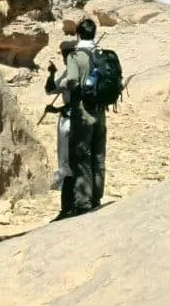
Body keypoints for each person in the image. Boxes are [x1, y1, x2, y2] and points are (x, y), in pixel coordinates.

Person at [68, 18, 107, 213]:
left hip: (83, 112)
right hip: (101, 111)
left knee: (82, 156)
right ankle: (97, 198)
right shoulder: (101, 53)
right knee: (98, 156)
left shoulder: (75, 56)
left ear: (78, 33)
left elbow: (72, 80)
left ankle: (83, 203)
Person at [44, 39, 76, 202]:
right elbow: (50, 90)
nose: (64, 59)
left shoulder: (73, 72)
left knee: (65, 151)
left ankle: (66, 183)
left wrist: (56, 109)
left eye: (66, 56)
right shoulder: (69, 71)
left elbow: (52, 90)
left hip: (71, 117)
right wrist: (52, 74)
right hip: (71, 115)